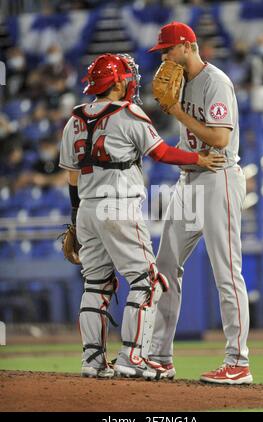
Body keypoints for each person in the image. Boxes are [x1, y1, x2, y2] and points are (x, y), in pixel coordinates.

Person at [59, 52, 225, 380]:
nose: (129, 81)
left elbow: (72, 176)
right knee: (146, 282)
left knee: (95, 284)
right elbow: (160, 152)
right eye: (125, 77)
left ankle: (92, 361)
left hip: (88, 209)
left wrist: (76, 219)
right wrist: (198, 158)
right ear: (118, 83)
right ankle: (132, 358)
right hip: (118, 206)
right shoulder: (128, 112)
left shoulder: (74, 119)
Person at [148, 22, 253, 385]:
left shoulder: (216, 82)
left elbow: (221, 139)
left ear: (187, 46)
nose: (163, 57)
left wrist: (176, 112)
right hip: (188, 179)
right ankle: (159, 356)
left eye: (167, 50)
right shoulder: (182, 80)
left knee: (226, 271)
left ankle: (238, 361)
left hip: (218, 177)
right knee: (164, 266)